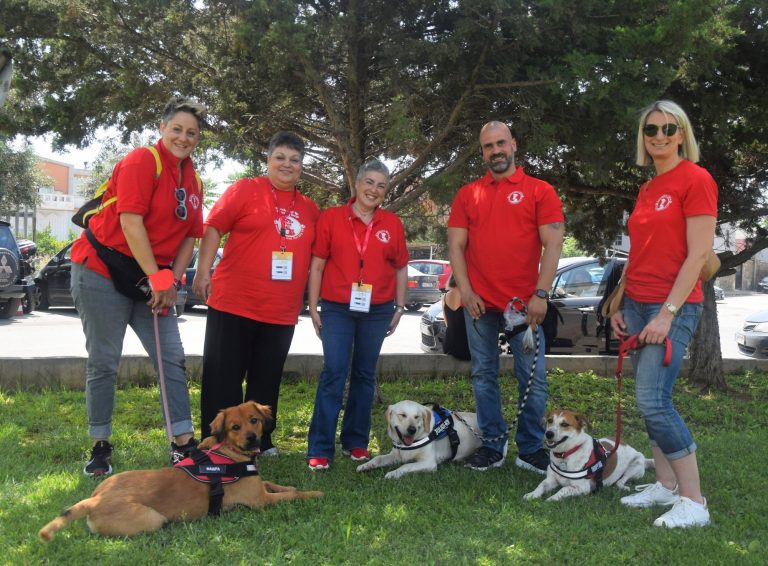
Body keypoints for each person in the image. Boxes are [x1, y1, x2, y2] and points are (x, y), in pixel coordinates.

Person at [70, 96, 207, 476]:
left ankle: (183, 444)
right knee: (104, 361)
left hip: (153, 281)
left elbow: (189, 238)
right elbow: (131, 222)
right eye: (176, 129)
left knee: (171, 360)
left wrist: (173, 282)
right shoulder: (142, 161)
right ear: (162, 128)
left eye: (191, 133)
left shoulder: (194, 178)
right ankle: (100, 445)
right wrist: (159, 278)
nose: (183, 137)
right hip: (101, 270)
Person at [611, 100, 717, 528]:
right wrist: (620, 301)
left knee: (654, 402)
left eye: (668, 129)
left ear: (681, 134)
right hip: (637, 303)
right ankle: (666, 485)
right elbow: (640, 253)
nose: (658, 136)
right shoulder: (648, 187)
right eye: (650, 129)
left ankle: (694, 503)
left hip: (671, 306)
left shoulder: (697, 179)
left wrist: (667, 314)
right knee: (652, 398)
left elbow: (697, 256)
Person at [193, 131, 319, 455]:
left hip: (280, 311)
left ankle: (260, 443)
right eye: (280, 157)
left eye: (294, 160)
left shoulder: (309, 209)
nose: (287, 165)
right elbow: (213, 228)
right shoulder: (245, 190)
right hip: (233, 302)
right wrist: (203, 272)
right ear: (268, 160)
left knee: (266, 382)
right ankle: (218, 443)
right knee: (223, 378)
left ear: (302, 165)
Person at [448, 121, 564, 472]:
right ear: (482, 151)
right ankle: (493, 446)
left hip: (524, 307)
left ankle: (530, 448)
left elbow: (554, 243)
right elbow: (455, 244)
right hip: (479, 304)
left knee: (533, 378)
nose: (495, 151)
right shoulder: (468, 194)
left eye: (501, 143)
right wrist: (465, 291)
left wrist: (541, 295)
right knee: (484, 375)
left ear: (513, 144)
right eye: (488, 146)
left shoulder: (540, 190)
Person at [306, 159, 409, 470]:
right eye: (370, 183)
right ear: (357, 184)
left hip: (377, 310)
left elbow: (401, 266)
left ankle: (356, 442)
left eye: (381, 185)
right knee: (334, 372)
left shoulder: (391, 223)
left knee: (364, 375)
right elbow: (318, 264)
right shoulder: (332, 218)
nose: (374, 190)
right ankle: (320, 447)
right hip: (337, 308)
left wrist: (400, 306)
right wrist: (313, 305)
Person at [442, 274, 471, 361]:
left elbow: (447, 323)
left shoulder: (445, 297)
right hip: (465, 346)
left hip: (449, 344)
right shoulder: (467, 296)